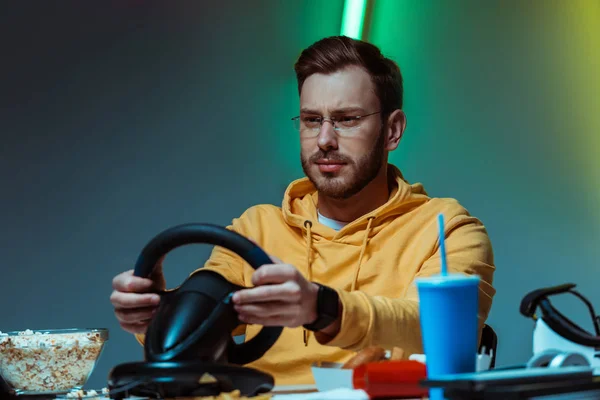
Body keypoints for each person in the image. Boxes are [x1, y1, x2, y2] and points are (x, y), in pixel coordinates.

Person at [110, 35, 496, 386]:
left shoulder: (447, 231)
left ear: (392, 130)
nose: (325, 140)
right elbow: (200, 328)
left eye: (347, 120)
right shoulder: (255, 229)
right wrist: (157, 313)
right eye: (312, 120)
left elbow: (446, 330)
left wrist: (322, 306)